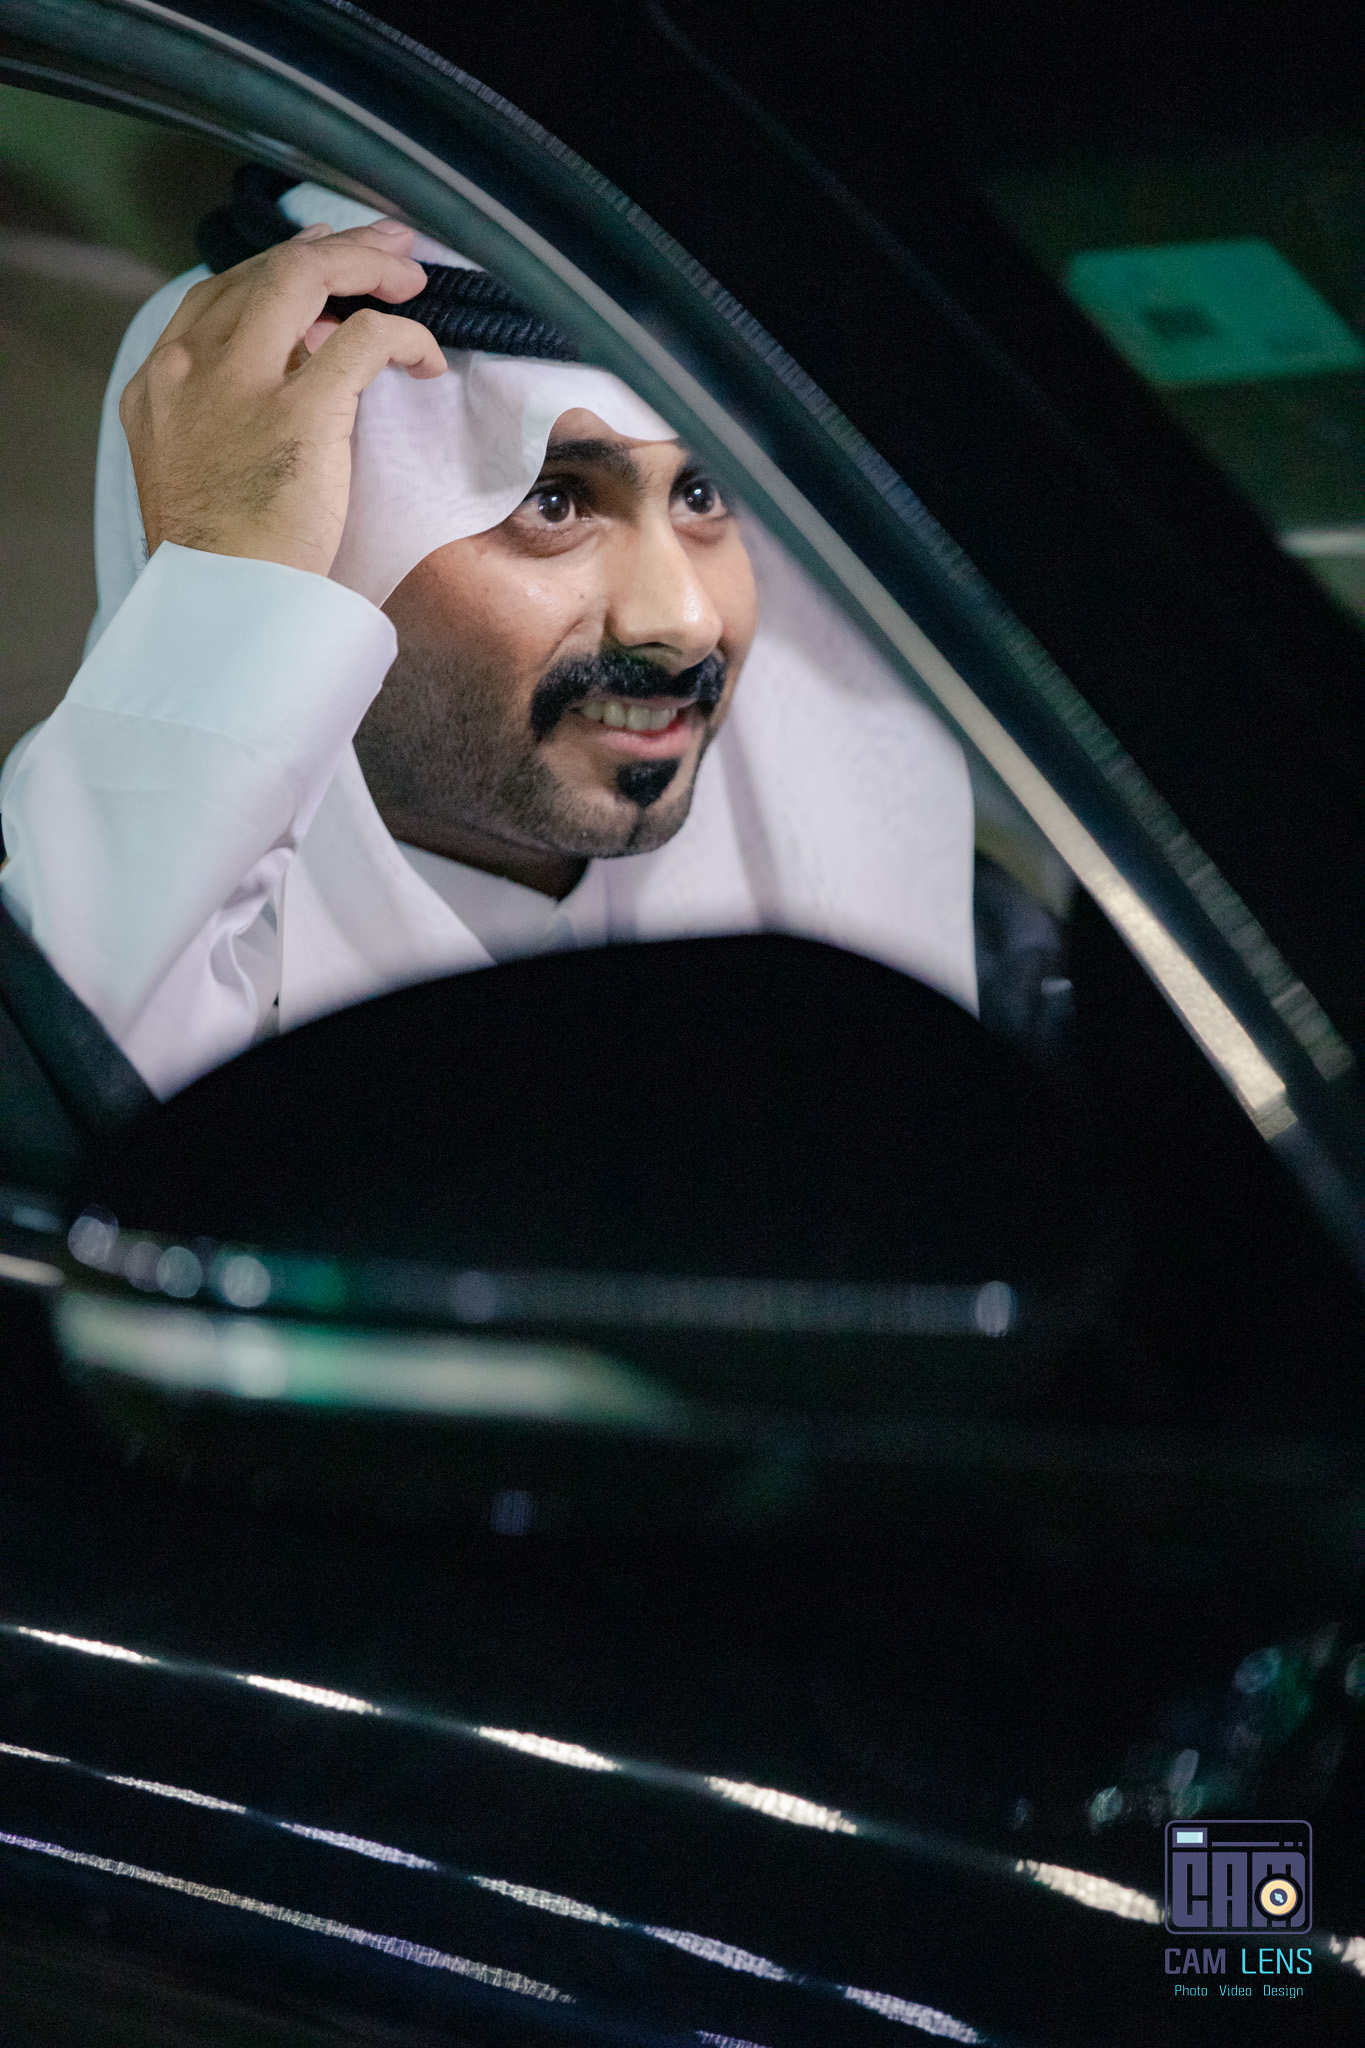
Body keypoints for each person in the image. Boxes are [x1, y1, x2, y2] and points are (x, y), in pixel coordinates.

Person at [0, 183, 977, 1099]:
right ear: (315, 550)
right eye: (552, 503)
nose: (683, 621)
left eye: (702, 493)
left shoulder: (986, 950)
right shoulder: (79, 989)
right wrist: (219, 589)